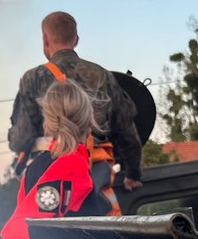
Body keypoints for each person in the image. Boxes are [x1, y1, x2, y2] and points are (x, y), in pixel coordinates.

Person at [8, 11, 144, 216]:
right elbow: (127, 132)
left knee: (45, 235)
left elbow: (21, 139)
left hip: (48, 181)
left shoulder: (33, 79)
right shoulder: (102, 76)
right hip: (94, 176)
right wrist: (132, 173)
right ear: (76, 39)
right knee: (102, 229)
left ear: (45, 39)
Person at [2, 79, 114, 239]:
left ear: (48, 124)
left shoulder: (36, 166)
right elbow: (23, 225)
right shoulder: (71, 165)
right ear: (90, 121)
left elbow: (25, 218)